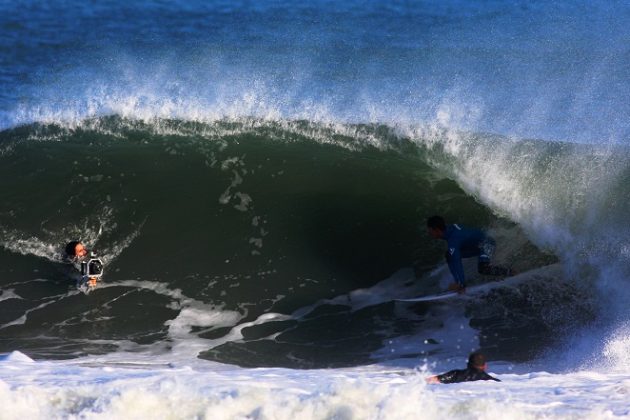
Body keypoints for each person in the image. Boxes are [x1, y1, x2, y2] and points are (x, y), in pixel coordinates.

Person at [427, 215, 511, 292]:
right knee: (449, 255)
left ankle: (511, 272)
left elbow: (457, 262)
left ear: (437, 230)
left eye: (430, 230)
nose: (429, 233)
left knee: (483, 269)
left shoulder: (453, 240)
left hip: (488, 244)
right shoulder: (449, 229)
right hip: (477, 246)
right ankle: (458, 282)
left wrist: (461, 284)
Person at [426, 352, 501, 384]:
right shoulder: (491, 380)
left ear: (468, 364)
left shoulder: (455, 374)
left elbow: (433, 380)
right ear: (485, 366)